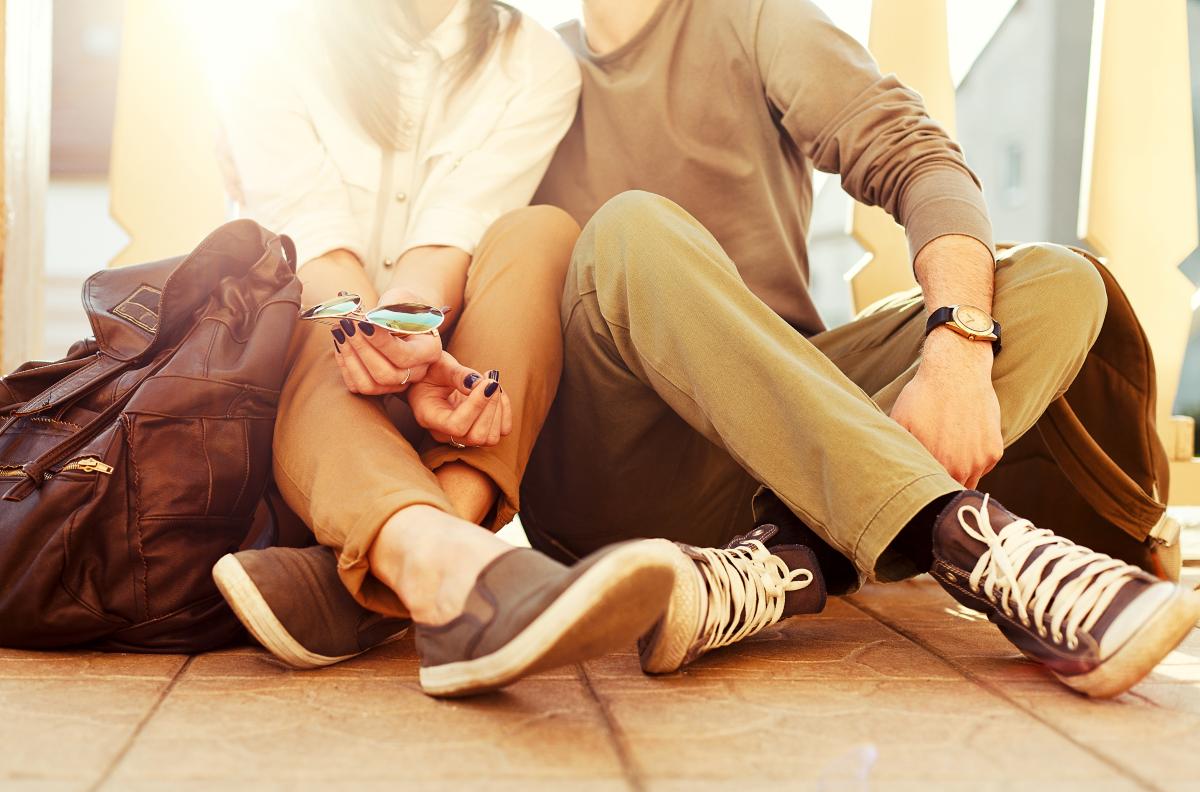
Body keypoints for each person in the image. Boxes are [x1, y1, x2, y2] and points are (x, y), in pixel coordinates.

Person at [512, 0, 1200, 698]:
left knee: (1059, 281)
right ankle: (960, 535)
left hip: (781, 452)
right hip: (608, 473)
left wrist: (958, 352)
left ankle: (782, 557)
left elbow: (918, 159)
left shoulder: (752, 19)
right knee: (630, 228)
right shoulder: (519, 67)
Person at [207, 0, 683, 698]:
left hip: (445, 382)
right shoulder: (275, 37)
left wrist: (411, 340)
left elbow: (449, 239)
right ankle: (457, 565)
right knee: (317, 313)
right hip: (310, 396)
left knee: (541, 233)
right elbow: (318, 249)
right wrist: (369, 340)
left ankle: (421, 562)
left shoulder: (534, 61)